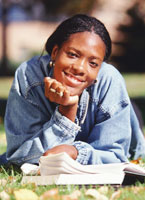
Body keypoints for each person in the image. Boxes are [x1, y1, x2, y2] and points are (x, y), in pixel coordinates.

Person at [1, 14, 145, 166]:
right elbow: (19, 157)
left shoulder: (109, 80)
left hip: (121, 116)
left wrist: (76, 152)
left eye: (93, 63)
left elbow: (114, 158)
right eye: (73, 55)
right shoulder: (29, 76)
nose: (80, 68)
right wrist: (66, 113)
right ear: (55, 53)